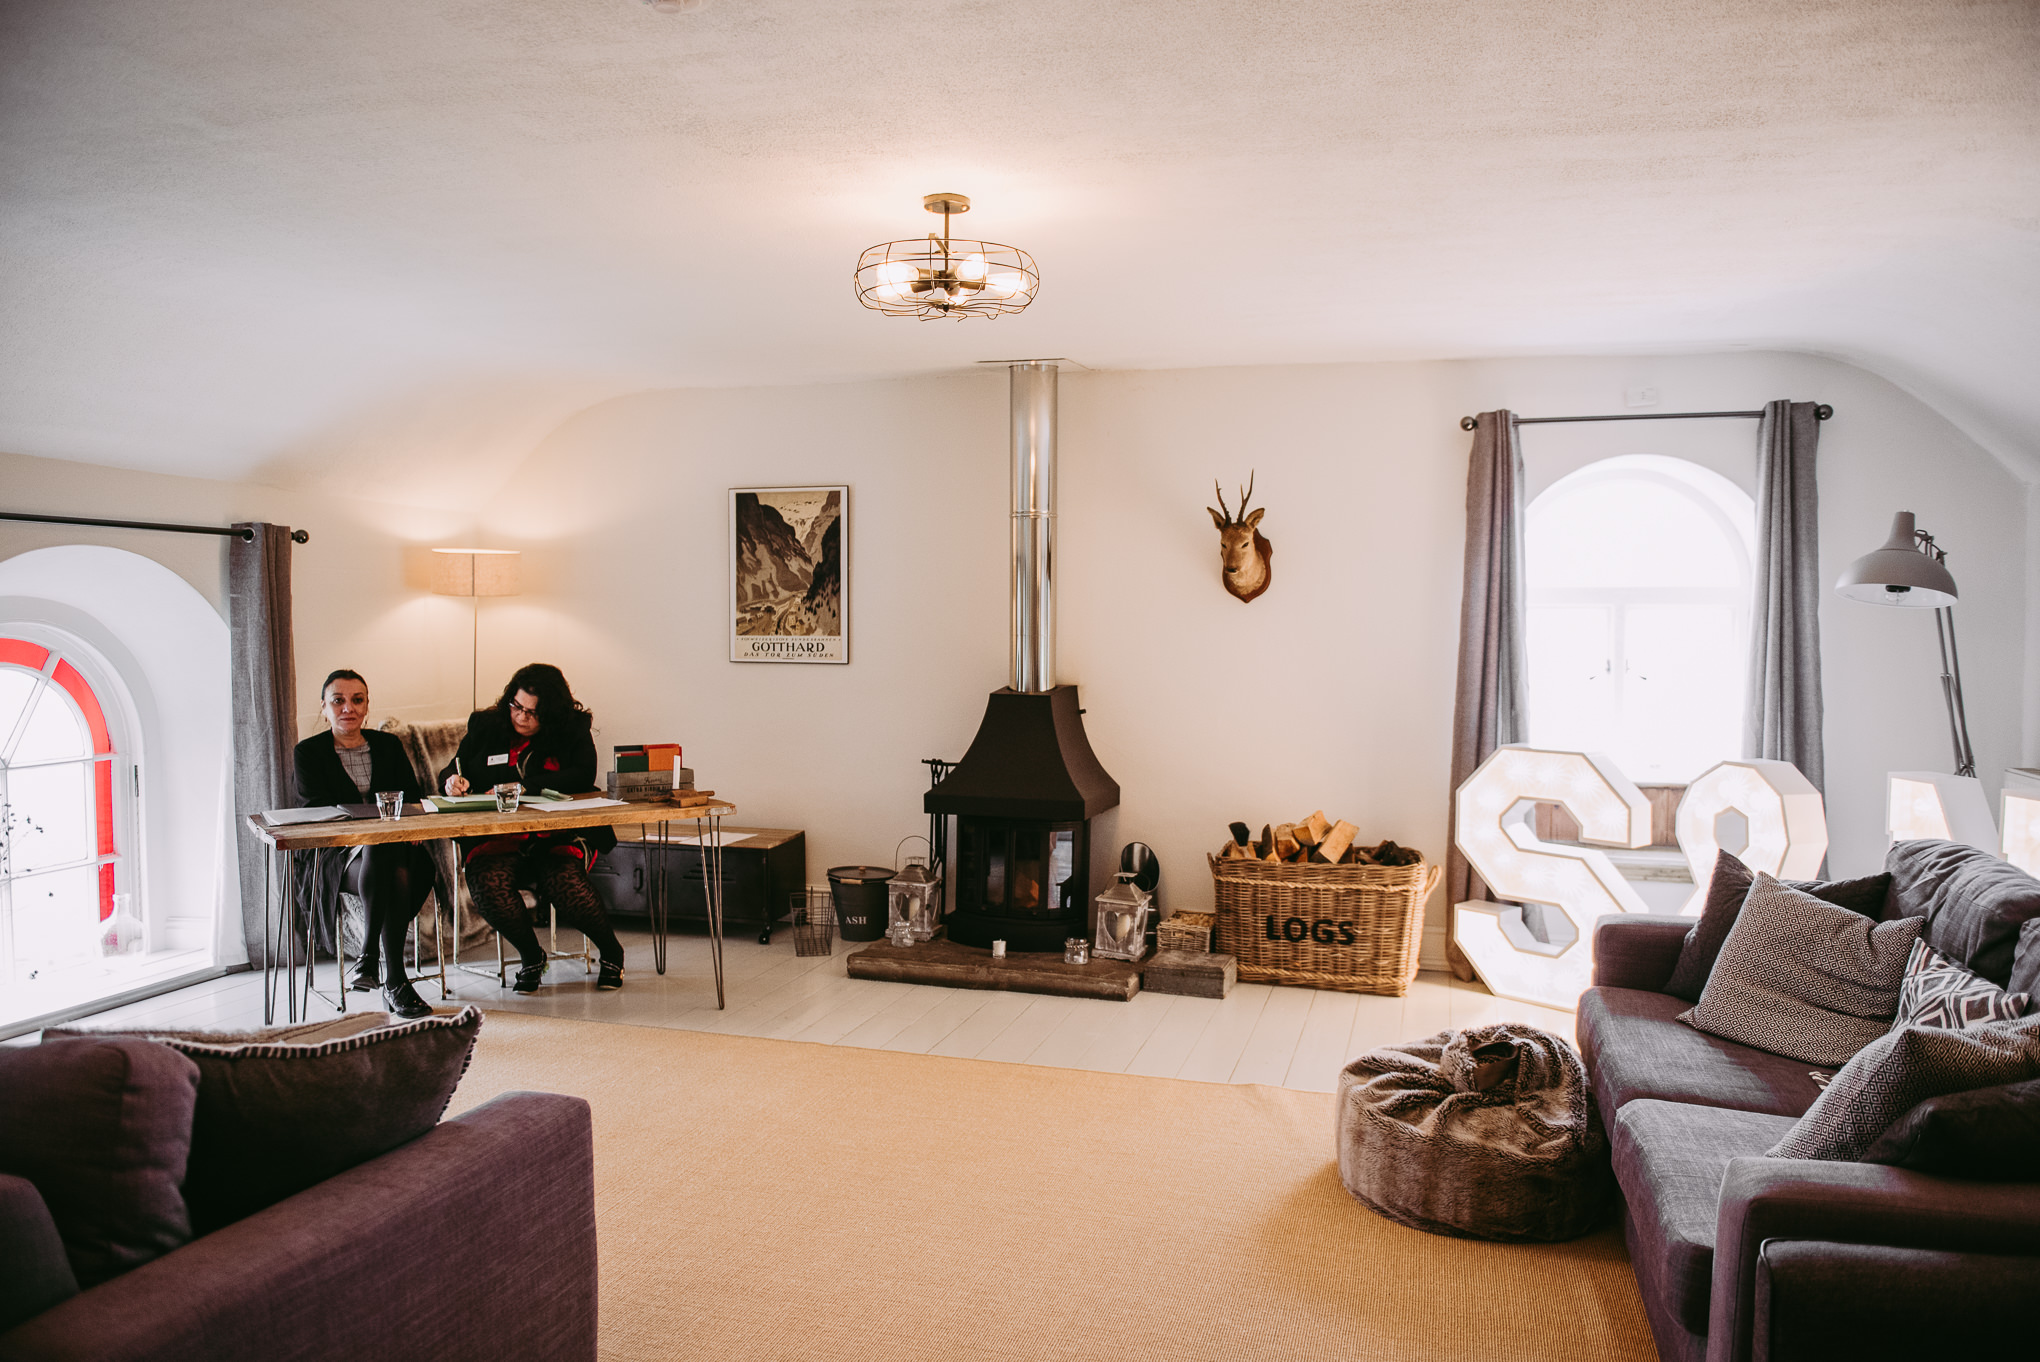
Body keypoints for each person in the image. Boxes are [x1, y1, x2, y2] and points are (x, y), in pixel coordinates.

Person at [439, 663, 625, 993]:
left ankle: (611, 951)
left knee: (562, 880)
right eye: (517, 707)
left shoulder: (573, 729)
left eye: (532, 713)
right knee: (486, 881)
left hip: (556, 835)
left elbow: (583, 774)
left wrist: (526, 786)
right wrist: (451, 782)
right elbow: (454, 767)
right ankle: (531, 956)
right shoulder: (485, 724)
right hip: (499, 837)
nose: (522, 717)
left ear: (551, 714)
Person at [294, 670, 439, 1019]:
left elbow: (411, 796)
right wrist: (372, 829)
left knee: (391, 857)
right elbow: (316, 809)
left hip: (392, 849)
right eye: (338, 701)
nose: (349, 708)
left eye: (357, 700)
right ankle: (396, 982)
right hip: (338, 855)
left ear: (367, 705)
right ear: (324, 707)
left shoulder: (387, 745)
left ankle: (369, 958)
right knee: (387, 855)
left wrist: (409, 822)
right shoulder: (308, 752)